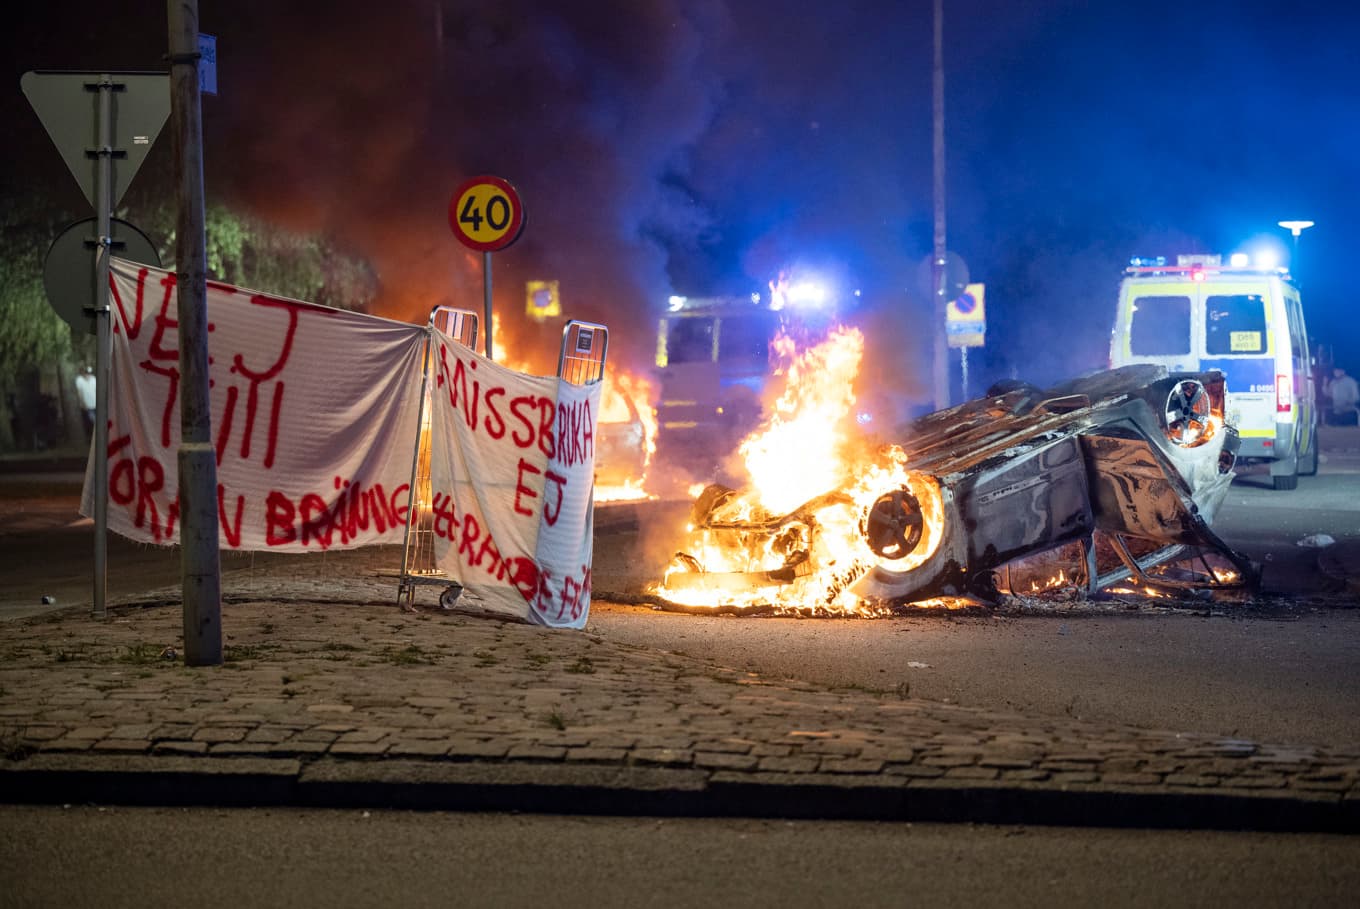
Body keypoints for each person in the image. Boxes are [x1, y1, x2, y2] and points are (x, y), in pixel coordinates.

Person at [75, 365, 96, 436]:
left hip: (95, 405)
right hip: (87, 406)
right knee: (91, 423)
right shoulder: (79, 380)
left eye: (89, 373)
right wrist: (82, 403)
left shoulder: (94, 379)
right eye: (86, 373)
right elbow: (80, 393)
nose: (88, 375)